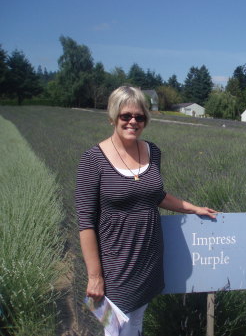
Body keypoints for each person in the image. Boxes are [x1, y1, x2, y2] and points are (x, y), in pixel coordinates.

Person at [75, 86, 217, 336]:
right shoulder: (92, 160)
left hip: (148, 259)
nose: (133, 121)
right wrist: (95, 276)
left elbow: (155, 195)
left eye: (139, 117)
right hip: (116, 263)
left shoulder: (153, 152)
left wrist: (192, 208)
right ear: (113, 117)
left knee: (136, 323)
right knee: (116, 329)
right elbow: (85, 222)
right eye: (125, 116)